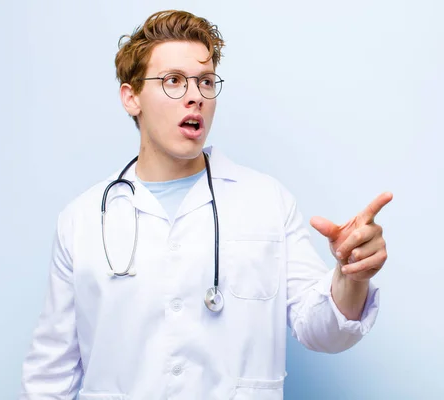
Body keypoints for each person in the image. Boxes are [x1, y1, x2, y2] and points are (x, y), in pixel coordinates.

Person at [19, 9, 392, 400]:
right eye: (174, 81)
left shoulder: (267, 202)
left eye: (205, 81)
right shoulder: (81, 220)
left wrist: (352, 275)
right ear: (131, 98)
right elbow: (49, 377)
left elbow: (323, 331)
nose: (195, 95)